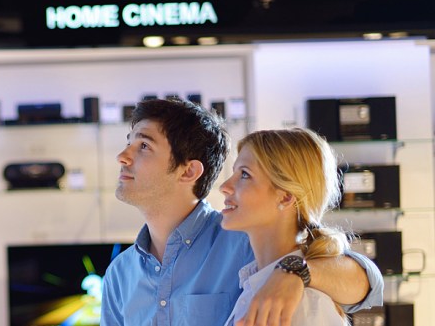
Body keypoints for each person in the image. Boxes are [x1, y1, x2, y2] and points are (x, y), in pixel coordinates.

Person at [100, 99, 382, 326]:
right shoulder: (119, 274)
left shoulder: (250, 240)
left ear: (189, 171)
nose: (122, 156)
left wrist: (295, 273)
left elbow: (369, 282)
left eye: (144, 146)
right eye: (129, 143)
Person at [220, 128, 349, 325]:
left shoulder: (308, 303)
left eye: (244, 174)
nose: (225, 187)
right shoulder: (255, 283)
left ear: (286, 197)